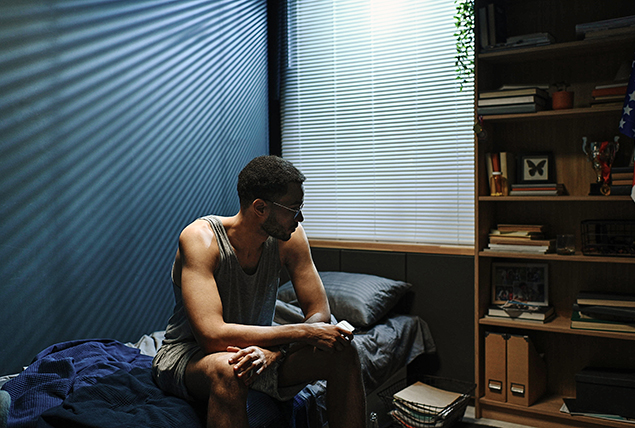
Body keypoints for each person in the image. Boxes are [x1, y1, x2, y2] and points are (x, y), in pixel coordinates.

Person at [152, 155, 366, 428]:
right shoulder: (201, 239)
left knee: (343, 352)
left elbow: (319, 312)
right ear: (260, 207)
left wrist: (275, 352)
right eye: (293, 208)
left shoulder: (291, 238)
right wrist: (301, 332)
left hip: (260, 352)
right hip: (193, 357)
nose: (300, 218)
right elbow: (212, 337)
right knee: (230, 370)